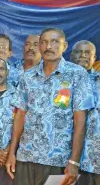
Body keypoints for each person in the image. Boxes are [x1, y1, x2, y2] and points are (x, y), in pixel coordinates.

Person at [5, 28, 95, 185]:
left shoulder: (77, 74)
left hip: (58, 160)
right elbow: (20, 116)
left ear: (64, 46)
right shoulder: (28, 77)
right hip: (26, 156)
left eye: (54, 42)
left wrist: (74, 162)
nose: (49, 46)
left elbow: (80, 121)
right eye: (44, 42)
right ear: (39, 46)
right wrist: (12, 153)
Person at [71, 40, 100, 184]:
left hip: (93, 161)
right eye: (78, 51)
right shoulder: (58, 80)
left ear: (94, 58)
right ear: (71, 56)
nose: (82, 55)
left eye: (88, 53)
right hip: (59, 157)